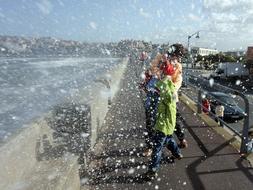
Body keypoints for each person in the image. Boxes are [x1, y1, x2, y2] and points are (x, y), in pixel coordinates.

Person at [145, 63, 183, 179]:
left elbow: (159, 88)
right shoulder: (170, 86)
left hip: (163, 124)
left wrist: (152, 85)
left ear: (164, 73)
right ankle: (177, 153)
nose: (158, 73)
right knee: (168, 140)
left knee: (157, 148)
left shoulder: (166, 86)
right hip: (168, 124)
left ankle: (152, 170)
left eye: (161, 71)